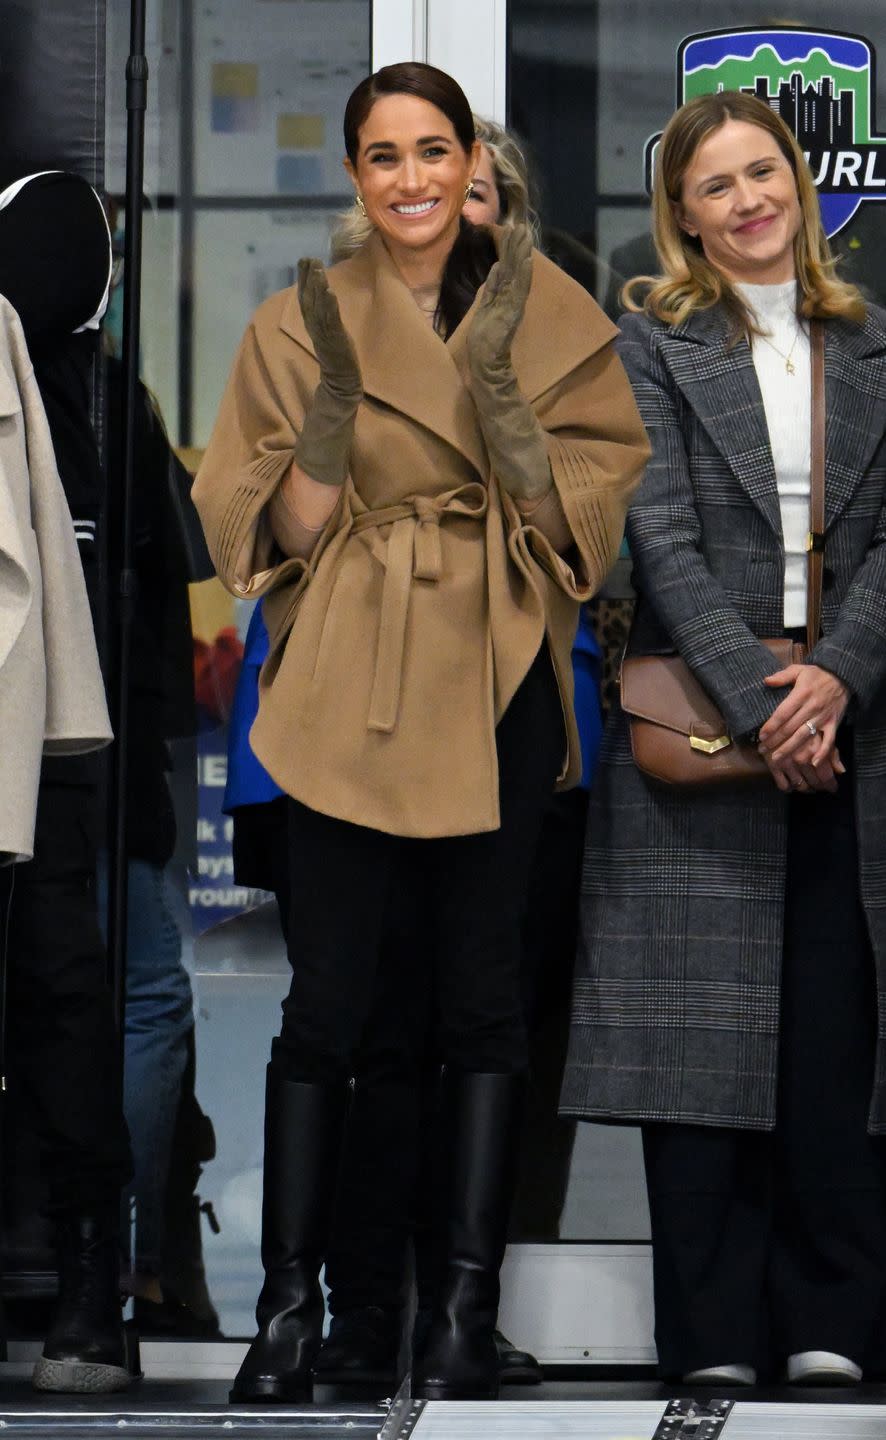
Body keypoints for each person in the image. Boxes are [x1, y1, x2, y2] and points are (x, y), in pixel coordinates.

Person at [194, 60, 647, 1404]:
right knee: (334, 1008)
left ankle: (458, 1318)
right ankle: (299, 1321)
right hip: (346, 685)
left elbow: (579, 528)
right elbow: (280, 534)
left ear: (470, 165)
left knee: (481, 1008)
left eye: (431, 150)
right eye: (382, 155)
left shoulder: (553, 307)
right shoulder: (298, 319)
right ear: (354, 176)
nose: (409, 179)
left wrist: (499, 376)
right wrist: (335, 400)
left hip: (497, 673)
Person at [562, 89, 886, 1388]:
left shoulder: (870, 346)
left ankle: (831, 1324)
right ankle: (710, 1339)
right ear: (682, 218)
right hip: (698, 727)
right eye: (717, 185)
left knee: (834, 1035)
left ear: (800, 188)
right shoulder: (642, 350)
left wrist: (838, 684)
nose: (747, 200)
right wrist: (763, 699)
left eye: (764, 173)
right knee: (693, 1040)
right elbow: (658, 539)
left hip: (857, 733)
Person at [0, 170, 133, 1394]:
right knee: (61, 1000)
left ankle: (93, 1272)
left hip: (51, 744)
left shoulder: (99, 394)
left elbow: (142, 595)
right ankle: (84, 1279)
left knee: (62, 994)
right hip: (46, 742)